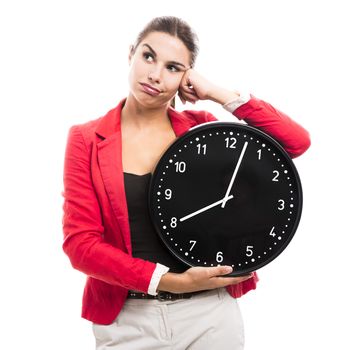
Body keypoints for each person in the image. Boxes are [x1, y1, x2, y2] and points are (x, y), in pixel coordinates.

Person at [62, 16, 310, 350]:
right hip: (128, 320)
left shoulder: (201, 130)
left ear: (186, 76)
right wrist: (169, 282)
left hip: (209, 316)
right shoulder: (87, 139)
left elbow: (296, 142)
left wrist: (217, 93)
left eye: (173, 67)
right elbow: (81, 245)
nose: (155, 74)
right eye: (148, 57)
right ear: (131, 53)